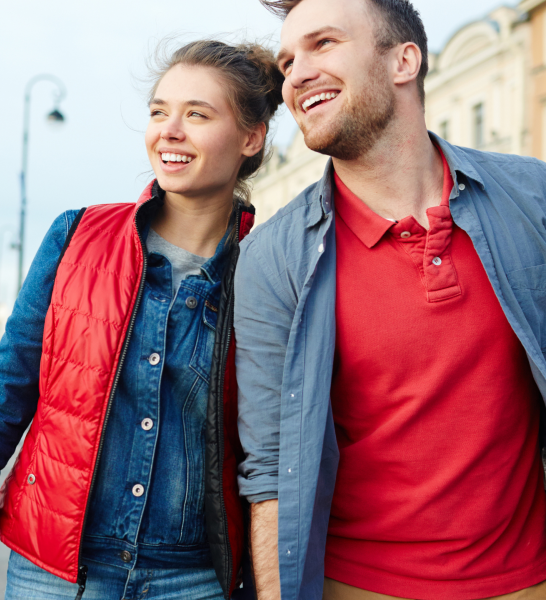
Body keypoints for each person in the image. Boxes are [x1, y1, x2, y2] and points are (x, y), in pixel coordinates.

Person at [0, 39, 283, 600]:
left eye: (197, 114)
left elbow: (272, 447)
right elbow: (7, 388)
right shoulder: (76, 237)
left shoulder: (270, 271)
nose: (169, 130)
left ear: (252, 138)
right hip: (52, 572)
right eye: (159, 111)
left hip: (193, 579)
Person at [234, 1, 546, 599]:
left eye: (323, 44)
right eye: (288, 60)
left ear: (404, 60)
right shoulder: (273, 259)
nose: (296, 74)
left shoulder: (529, 198)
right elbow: (270, 471)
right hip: (358, 585)